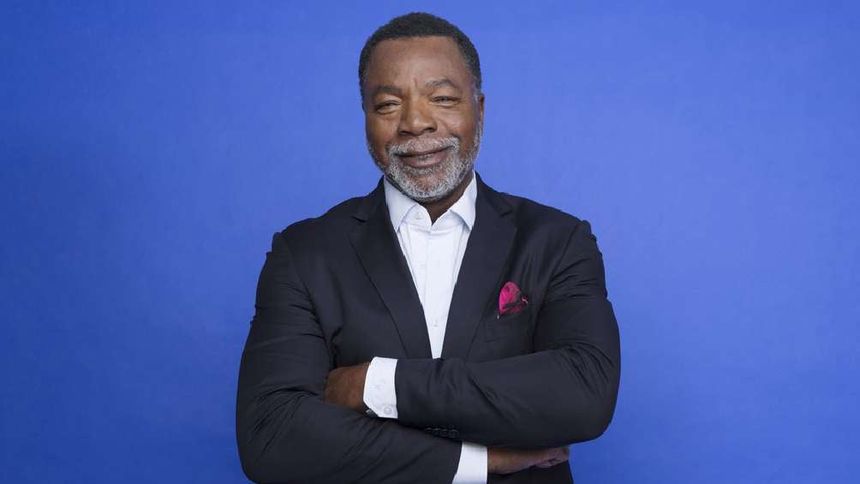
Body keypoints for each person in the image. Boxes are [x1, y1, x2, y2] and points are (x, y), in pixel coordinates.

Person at [236, 12, 620, 484]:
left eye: (442, 98)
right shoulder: (304, 254)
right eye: (387, 105)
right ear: (365, 118)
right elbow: (272, 437)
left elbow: (584, 396)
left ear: (480, 108)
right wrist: (476, 463)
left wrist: (376, 384)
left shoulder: (556, 240)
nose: (415, 123)